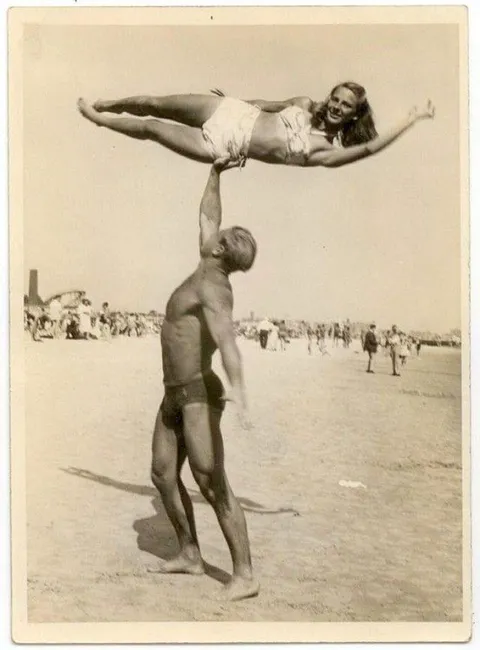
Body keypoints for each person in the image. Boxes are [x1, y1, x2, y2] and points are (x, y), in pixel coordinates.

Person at [150, 157, 259, 601]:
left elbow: (227, 342)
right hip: (172, 393)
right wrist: (216, 169)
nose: (217, 230)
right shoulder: (205, 267)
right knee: (161, 474)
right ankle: (191, 554)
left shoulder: (214, 290)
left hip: (197, 391)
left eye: (225, 234)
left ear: (221, 250)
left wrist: (239, 389)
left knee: (210, 479)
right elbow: (208, 213)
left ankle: (246, 574)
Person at [77, 82, 434, 169]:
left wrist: (411, 120)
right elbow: (265, 106)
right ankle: (111, 104)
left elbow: (369, 148)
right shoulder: (304, 104)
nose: (338, 106)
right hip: (233, 113)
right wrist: (236, 101)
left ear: (356, 114)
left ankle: (99, 121)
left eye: (347, 105)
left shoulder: (325, 151)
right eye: (337, 99)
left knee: (154, 128)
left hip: (225, 147)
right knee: (153, 104)